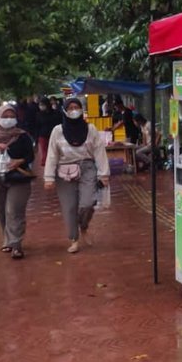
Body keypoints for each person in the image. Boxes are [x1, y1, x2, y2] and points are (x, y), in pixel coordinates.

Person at [44, 98, 109, 254]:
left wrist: (104, 174)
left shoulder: (90, 129)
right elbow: (52, 155)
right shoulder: (57, 131)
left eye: (77, 107)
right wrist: (49, 178)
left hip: (87, 168)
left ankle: (83, 226)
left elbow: (99, 151)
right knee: (69, 207)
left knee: (88, 202)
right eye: (70, 108)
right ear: (65, 111)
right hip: (65, 171)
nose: (74, 110)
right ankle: (74, 239)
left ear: (81, 109)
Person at [0, 105, 36, 259]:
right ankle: (7, 241)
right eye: (4, 116)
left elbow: (30, 156)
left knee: (14, 210)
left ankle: (16, 244)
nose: (8, 119)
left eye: (11, 116)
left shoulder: (22, 135)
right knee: (1, 211)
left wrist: (19, 161)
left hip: (18, 179)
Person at [35, 97, 58, 166]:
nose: (41, 106)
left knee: (54, 150)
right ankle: (46, 164)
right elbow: (37, 126)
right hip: (43, 136)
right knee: (44, 151)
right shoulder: (39, 115)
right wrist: (36, 138)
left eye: (42, 105)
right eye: (40, 105)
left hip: (54, 135)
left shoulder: (55, 113)